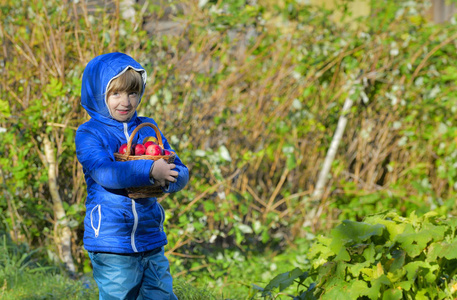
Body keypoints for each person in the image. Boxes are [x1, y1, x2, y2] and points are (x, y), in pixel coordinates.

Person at [75, 52, 189, 300]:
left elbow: (178, 168)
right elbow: (106, 173)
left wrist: (168, 179)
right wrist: (148, 171)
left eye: (133, 93)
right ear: (98, 94)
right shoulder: (89, 133)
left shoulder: (147, 129)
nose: (125, 101)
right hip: (112, 241)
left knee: (161, 295)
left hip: (150, 237)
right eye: (115, 93)